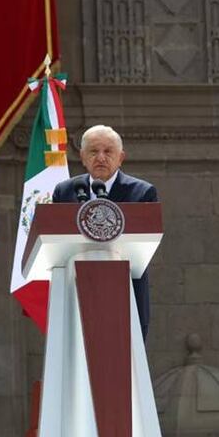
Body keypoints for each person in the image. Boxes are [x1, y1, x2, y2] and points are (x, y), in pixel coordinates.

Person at [51, 124, 158, 340]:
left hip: (125, 290)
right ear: (82, 156)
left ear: (121, 157)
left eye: (108, 151)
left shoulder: (142, 192)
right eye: (93, 151)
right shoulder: (65, 191)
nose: (100, 157)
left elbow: (146, 241)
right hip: (76, 289)